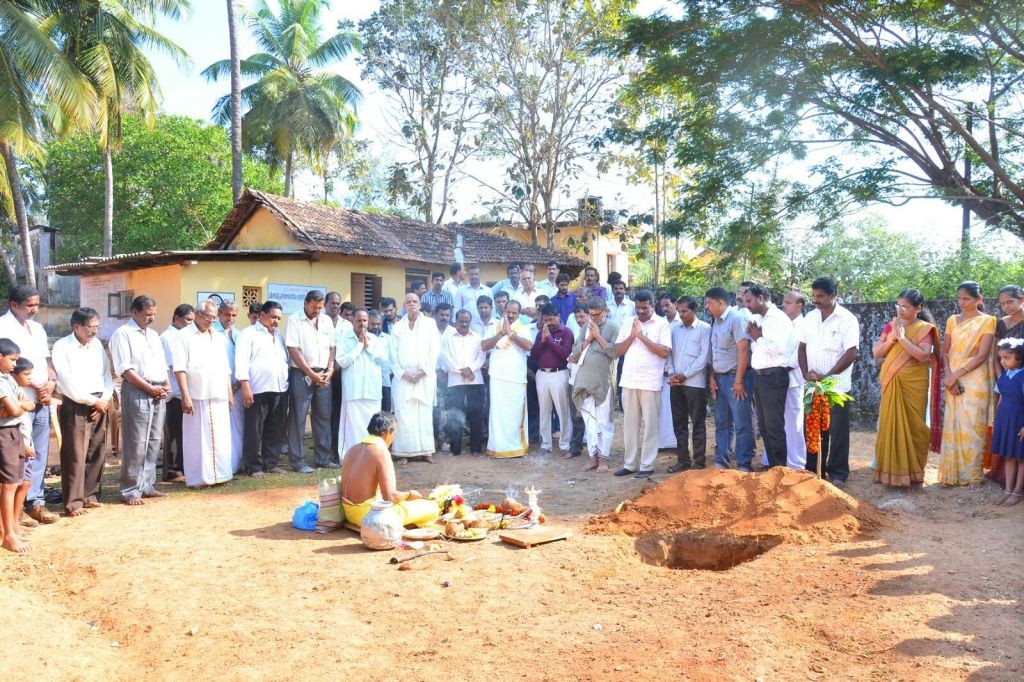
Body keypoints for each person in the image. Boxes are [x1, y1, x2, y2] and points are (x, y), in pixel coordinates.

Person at [0, 285, 58, 525]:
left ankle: (36, 502)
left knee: (39, 454)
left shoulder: (37, 328)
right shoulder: (3, 326)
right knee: (18, 456)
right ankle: (16, 510)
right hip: (17, 401)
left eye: (37, 304)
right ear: (14, 305)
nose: (35, 309)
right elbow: (9, 368)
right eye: (30, 305)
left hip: (42, 400)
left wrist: (51, 383)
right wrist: (37, 386)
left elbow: (47, 360)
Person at [871, 289, 940, 488]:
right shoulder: (891, 326)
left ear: (918, 309)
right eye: (898, 305)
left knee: (914, 426)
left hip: (914, 383)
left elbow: (923, 356)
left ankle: (913, 474)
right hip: (892, 380)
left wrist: (902, 339)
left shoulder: (925, 328)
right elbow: (877, 352)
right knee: (889, 424)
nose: (901, 310)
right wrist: (893, 337)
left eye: (906, 307)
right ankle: (888, 474)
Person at [798, 277, 860, 486]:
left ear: (833, 295)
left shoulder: (847, 319)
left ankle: (838, 473)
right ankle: (814, 469)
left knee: (837, 430)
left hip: (836, 386)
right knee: (813, 428)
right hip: (812, 384)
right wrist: (806, 373)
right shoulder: (810, 317)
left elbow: (852, 352)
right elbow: (802, 347)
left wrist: (829, 375)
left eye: (821, 296)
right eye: (814, 295)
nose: (816, 300)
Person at [110, 295, 170, 505]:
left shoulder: (153, 334)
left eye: (154, 314)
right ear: (134, 312)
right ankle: (130, 489)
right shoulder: (123, 334)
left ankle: (147, 485)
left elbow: (162, 364)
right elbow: (125, 370)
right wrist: (149, 388)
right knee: (136, 441)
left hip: (157, 389)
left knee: (154, 440)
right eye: (147, 314)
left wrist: (165, 385)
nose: (151, 318)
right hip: (137, 389)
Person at [52, 307, 113, 516]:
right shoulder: (62, 347)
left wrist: (103, 400)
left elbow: (107, 374)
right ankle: (73, 502)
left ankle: (91, 495)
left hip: (99, 401)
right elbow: (67, 382)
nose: (94, 331)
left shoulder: (96, 346)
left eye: (97, 327)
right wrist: (92, 401)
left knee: (96, 450)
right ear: (77, 326)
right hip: (76, 403)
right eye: (90, 327)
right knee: (75, 453)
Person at [937, 281, 995, 486]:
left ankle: (972, 476)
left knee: (973, 426)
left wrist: (956, 375)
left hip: (976, 379)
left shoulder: (988, 321)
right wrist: (950, 376)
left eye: (966, 299)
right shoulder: (952, 320)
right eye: (959, 298)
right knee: (954, 425)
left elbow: (982, 356)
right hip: (953, 376)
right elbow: (945, 352)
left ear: (978, 299)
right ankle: (952, 476)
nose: (962, 303)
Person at [339, 412, 440, 528]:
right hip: (369, 517)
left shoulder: (352, 449)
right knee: (431, 507)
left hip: (348, 513)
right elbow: (390, 497)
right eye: (394, 434)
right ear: (386, 433)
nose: (394, 438)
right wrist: (410, 494)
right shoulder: (381, 452)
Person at [172, 299, 234, 487]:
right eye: (208, 317)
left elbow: (225, 367)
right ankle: (198, 478)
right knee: (196, 439)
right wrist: (185, 395)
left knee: (221, 437)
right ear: (197, 314)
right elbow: (179, 368)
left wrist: (229, 393)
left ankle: (221, 475)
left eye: (214, 318)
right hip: (196, 395)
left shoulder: (218, 336)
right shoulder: (183, 336)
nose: (211, 321)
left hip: (218, 393)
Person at [613, 290, 671, 478]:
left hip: (650, 381)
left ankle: (647, 465)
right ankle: (629, 464)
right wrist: (631, 336)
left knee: (650, 426)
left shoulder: (662, 324)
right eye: (637, 308)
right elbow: (618, 351)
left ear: (652, 306)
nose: (640, 312)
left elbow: (664, 352)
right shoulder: (627, 322)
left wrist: (642, 336)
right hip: (629, 380)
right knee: (629, 425)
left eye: (644, 308)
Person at [236, 301, 290, 479]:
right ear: (262, 315)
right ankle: (253, 466)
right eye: (273, 317)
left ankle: (270, 462)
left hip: (279, 388)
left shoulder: (279, 336)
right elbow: (242, 361)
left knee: (275, 428)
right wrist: (245, 386)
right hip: (257, 389)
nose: (276, 321)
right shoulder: (248, 333)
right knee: (255, 429)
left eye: (279, 318)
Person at [743, 284, 795, 468]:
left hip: (774, 377)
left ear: (761, 298)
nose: (746, 305)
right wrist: (757, 337)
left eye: (749, 300)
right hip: (761, 377)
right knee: (764, 426)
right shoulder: (760, 318)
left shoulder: (777, 319)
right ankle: (773, 466)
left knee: (774, 426)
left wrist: (758, 337)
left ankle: (780, 469)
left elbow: (777, 349)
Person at [285, 290, 336, 472]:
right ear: (306, 303)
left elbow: (332, 347)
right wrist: (310, 373)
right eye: (314, 307)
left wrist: (330, 369)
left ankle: (323, 458)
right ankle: (297, 461)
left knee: (323, 416)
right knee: (298, 417)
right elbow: (293, 349)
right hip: (301, 374)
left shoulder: (326, 321)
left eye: (320, 308)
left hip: (323, 373)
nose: (317, 311)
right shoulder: (294, 319)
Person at [706, 286, 754, 471]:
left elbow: (744, 350)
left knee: (742, 422)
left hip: (736, 378)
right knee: (721, 421)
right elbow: (715, 352)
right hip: (720, 378)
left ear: (720, 302)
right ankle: (722, 461)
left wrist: (739, 381)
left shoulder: (737, 318)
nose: (707, 307)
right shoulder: (717, 321)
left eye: (709, 303)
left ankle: (744, 464)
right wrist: (712, 377)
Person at [391, 293, 441, 463]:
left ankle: (426, 452)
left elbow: (435, 350)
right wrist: (403, 374)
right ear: (403, 305)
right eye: (408, 302)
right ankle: (404, 453)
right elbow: (393, 355)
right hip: (404, 379)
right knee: (404, 413)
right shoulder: (397, 327)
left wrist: (423, 372)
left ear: (420, 304)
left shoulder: (430, 324)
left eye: (415, 301)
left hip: (424, 377)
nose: (412, 304)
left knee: (424, 413)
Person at [333, 308, 390, 458]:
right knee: (352, 428)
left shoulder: (375, 340)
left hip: (372, 392)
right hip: (353, 392)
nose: (362, 323)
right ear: (353, 321)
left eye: (365, 321)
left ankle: (370, 456)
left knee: (371, 427)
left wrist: (368, 346)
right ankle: (350, 457)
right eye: (359, 320)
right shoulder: (344, 338)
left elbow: (384, 360)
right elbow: (342, 362)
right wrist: (359, 345)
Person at [572, 297, 619, 472]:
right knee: (590, 421)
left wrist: (597, 335)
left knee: (603, 421)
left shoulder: (613, 328)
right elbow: (575, 352)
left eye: (597, 314)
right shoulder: (585, 327)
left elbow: (615, 353)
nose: (594, 318)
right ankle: (593, 457)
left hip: (603, 381)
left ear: (605, 311)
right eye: (590, 315)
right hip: (584, 379)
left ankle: (604, 459)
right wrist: (589, 337)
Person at [482, 300, 533, 457]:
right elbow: (484, 346)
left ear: (518, 314)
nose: (510, 315)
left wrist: (511, 334)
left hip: (516, 378)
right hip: (497, 377)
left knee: (514, 414)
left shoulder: (523, 328)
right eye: (508, 312)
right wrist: (501, 334)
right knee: (498, 414)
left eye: (514, 313)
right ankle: (497, 448)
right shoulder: (494, 327)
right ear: (504, 311)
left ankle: (516, 447)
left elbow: (528, 346)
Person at [667, 296, 710, 473]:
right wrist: (671, 372)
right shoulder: (674, 329)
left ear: (695, 311)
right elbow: (669, 353)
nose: (681, 314)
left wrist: (685, 374)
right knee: (679, 423)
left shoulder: (704, 329)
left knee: (698, 422)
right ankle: (682, 460)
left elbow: (704, 357)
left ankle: (699, 461)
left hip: (695, 383)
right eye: (679, 311)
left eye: (685, 311)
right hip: (676, 383)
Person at [987, 284, 1024, 484]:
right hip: (1006, 382)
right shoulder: (1002, 324)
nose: (1006, 306)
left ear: (1022, 299)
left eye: (1010, 301)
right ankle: (1003, 477)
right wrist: (1003, 378)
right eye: (1002, 303)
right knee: (1008, 428)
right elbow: (996, 356)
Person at [529, 303, 574, 455]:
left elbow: (565, 354)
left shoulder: (566, 332)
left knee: (562, 410)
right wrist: (542, 340)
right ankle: (546, 444)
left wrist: (549, 340)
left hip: (559, 373)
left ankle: (565, 444)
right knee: (544, 410)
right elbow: (534, 355)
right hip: (542, 374)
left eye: (550, 320)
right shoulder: (540, 333)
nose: (547, 323)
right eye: (545, 320)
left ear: (558, 317)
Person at [0, 338, 30, 552]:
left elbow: (21, 403)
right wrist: (21, 406)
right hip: (5, 432)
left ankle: (8, 529)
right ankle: (8, 534)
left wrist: (20, 406)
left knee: (14, 482)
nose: (14, 365)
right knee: (9, 485)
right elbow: (14, 409)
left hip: (13, 430)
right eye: (11, 360)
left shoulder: (7, 379)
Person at [443, 310, 486, 456]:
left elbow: (481, 357)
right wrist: (463, 372)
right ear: (455, 321)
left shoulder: (478, 337)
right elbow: (447, 359)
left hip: (476, 381)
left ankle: (475, 448)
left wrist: (471, 369)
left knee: (476, 413)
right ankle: (455, 449)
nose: (464, 324)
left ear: (470, 321)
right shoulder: (448, 338)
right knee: (455, 415)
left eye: (467, 321)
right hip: (455, 381)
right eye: (461, 321)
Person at [160, 303, 194, 483]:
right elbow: (174, 366)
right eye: (188, 320)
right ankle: (172, 471)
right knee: (173, 433)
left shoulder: (183, 336)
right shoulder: (169, 337)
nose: (191, 323)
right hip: (174, 392)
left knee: (183, 432)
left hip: (183, 392)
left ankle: (181, 467)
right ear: (176, 318)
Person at [991, 339, 1024, 505]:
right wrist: (997, 419)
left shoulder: (1023, 376)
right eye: (1001, 358)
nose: (1003, 361)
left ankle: (1017, 492)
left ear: (1019, 357)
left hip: (1019, 419)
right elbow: (1001, 397)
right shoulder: (1004, 375)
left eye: (1006, 358)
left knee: (1021, 457)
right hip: (1005, 418)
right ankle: (1008, 489)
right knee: (1009, 455)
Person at [213, 300, 245, 472]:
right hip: (218, 387)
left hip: (238, 387)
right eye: (227, 314)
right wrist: (226, 387)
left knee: (239, 426)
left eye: (234, 315)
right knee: (221, 427)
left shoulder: (239, 334)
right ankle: (224, 465)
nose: (230, 318)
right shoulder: (212, 333)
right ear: (219, 314)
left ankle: (237, 463)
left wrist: (237, 385)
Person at [781, 291, 808, 469]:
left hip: (794, 378)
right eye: (784, 302)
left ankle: (797, 463)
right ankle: (776, 459)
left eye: (789, 302)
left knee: (794, 422)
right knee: (777, 420)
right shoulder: (781, 323)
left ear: (799, 306)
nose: (784, 305)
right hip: (776, 377)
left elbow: (799, 354)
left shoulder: (804, 325)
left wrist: (780, 366)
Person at [325, 291, 353, 458]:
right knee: (323, 413)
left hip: (342, 375)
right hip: (324, 375)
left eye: (337, 303)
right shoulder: (320, 321)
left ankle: (336, 449)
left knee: (339, 413)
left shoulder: (347, 325)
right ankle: (324, 449)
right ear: (326, 304)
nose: (335, 306)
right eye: (332, 303)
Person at [657, 292, 681, 451]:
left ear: (676, 304)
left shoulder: (682, 322)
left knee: (677, 409)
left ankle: (676, 442)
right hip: (662, 371)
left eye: (668, 305)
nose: (665, 309)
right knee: (662, 408)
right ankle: (663, 442)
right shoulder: (660, 323)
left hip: (680, 374)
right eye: (662, 306)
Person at [366, 309, 393, 412]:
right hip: (368, 384)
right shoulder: (362, 338)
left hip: (384, 382)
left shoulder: (387, 339)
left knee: (385, 413)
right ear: (367, 323)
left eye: (378, 324)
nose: (376, 327)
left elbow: (392, 359)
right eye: (373, 324)